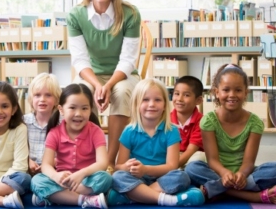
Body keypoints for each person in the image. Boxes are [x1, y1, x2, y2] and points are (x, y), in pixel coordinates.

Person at [66, 0, 141, 173]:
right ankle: (88, 156)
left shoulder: (130, 13)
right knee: (79, 96)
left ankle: (109, 160)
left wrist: (107, 85)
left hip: (123, 74)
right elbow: (80, 60)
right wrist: (97, 85)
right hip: (91, 73)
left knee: (122, 91)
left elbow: (128, 60)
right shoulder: (75, 15)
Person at [185, 64, 276, 204]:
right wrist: (224, 173)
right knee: (192, 168)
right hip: (217, 173)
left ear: (246, 92)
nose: (232, 95)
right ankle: (253, 196)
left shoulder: (255, 123)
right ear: (217, 92)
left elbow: (249, 162)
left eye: (238, 90)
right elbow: (212, 160)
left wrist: (242, 174)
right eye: (226, 90)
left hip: (246, 175)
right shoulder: (208, 121)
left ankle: (216, 190)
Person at [108, 78, 205, 207]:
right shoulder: (128, 131)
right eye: (145, 99)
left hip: (161, 179)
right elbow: (119, 166)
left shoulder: (172, 130)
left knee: (182, 176)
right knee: (118, 177)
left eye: (157, 100)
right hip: (136, 178)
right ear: (136, 104)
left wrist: (145, 169)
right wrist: (126, 167)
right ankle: (167, 199)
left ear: (165, 105)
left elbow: (172, 166)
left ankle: (132, 196)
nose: (152, 104)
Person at [30, 83, 112, 208]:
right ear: (61, 110)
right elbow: (46, 164)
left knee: (106, 178)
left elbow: (103, 163)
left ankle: (55, 197)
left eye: (84, 108)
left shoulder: (96, 132)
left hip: (86, 180)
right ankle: (85, 200)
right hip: (62, 181)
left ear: (91, 109)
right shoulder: (54, 133)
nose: (78, 113)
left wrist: (82, 173)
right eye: (72, 108)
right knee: (36, 181)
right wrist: (56, 176)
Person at [24, 73, 62, 176]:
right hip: (27, 171)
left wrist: (54, 161)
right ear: (31, 99)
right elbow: (15, 151)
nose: (42, 99)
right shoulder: (23, 123)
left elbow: (69, 153)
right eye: (37, 95)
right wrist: (27, 161)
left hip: (54, 172)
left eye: (48, 95)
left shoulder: (63, 124)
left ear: (56, 99)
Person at [170, 75, 206, 169]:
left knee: (198, 159)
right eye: (176, 94)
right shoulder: (166, 119)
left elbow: (191, 150)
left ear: (198, 100)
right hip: (172, 155)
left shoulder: (202, 121)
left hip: (191, 157)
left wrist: (171, 167)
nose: (179, 99)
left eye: (186, 95)